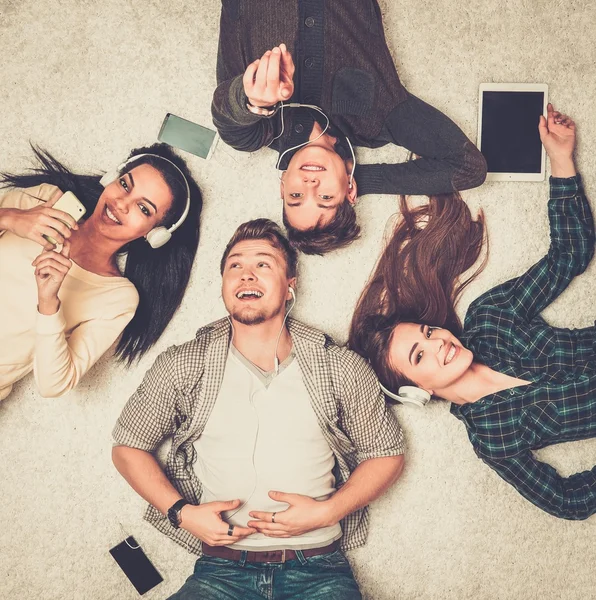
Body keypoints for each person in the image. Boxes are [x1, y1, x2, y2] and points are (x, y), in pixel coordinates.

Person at [112, 219, 405, 599]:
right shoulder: (183, 364)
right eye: (235, 266)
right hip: (221, 573)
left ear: (290, 287)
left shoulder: (340, 366)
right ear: (223, 286)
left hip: (318, 571)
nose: (246, 275)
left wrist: (329, 511)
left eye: (263, 264)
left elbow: (387, 454)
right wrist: (183, 513)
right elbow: (128, 447)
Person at [349, 104, 596, 520]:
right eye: (419, 356)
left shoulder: (490, 317)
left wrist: (561, 159)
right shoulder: (492, 437)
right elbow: (567, 500)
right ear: (415, 393)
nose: (438, 342)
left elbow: (569, 255)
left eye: (426, 333)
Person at [211, 0, 487, 255]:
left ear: (282, 187)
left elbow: (228, 119)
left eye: (296, 196)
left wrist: (255, 102)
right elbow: (470, 168)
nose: (310, 184)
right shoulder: (377, 120)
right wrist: (360, 178)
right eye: (326, 197)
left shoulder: (258, 133)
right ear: (350, 191)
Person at [0, 143, 202, 400]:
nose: (121, 203)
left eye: (144, 209)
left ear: (154, 234)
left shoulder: (117, 297)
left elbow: (53, 385)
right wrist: (8, 217)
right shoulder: (44, 201)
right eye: (125, 185)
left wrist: (48, 303)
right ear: (110, 179)